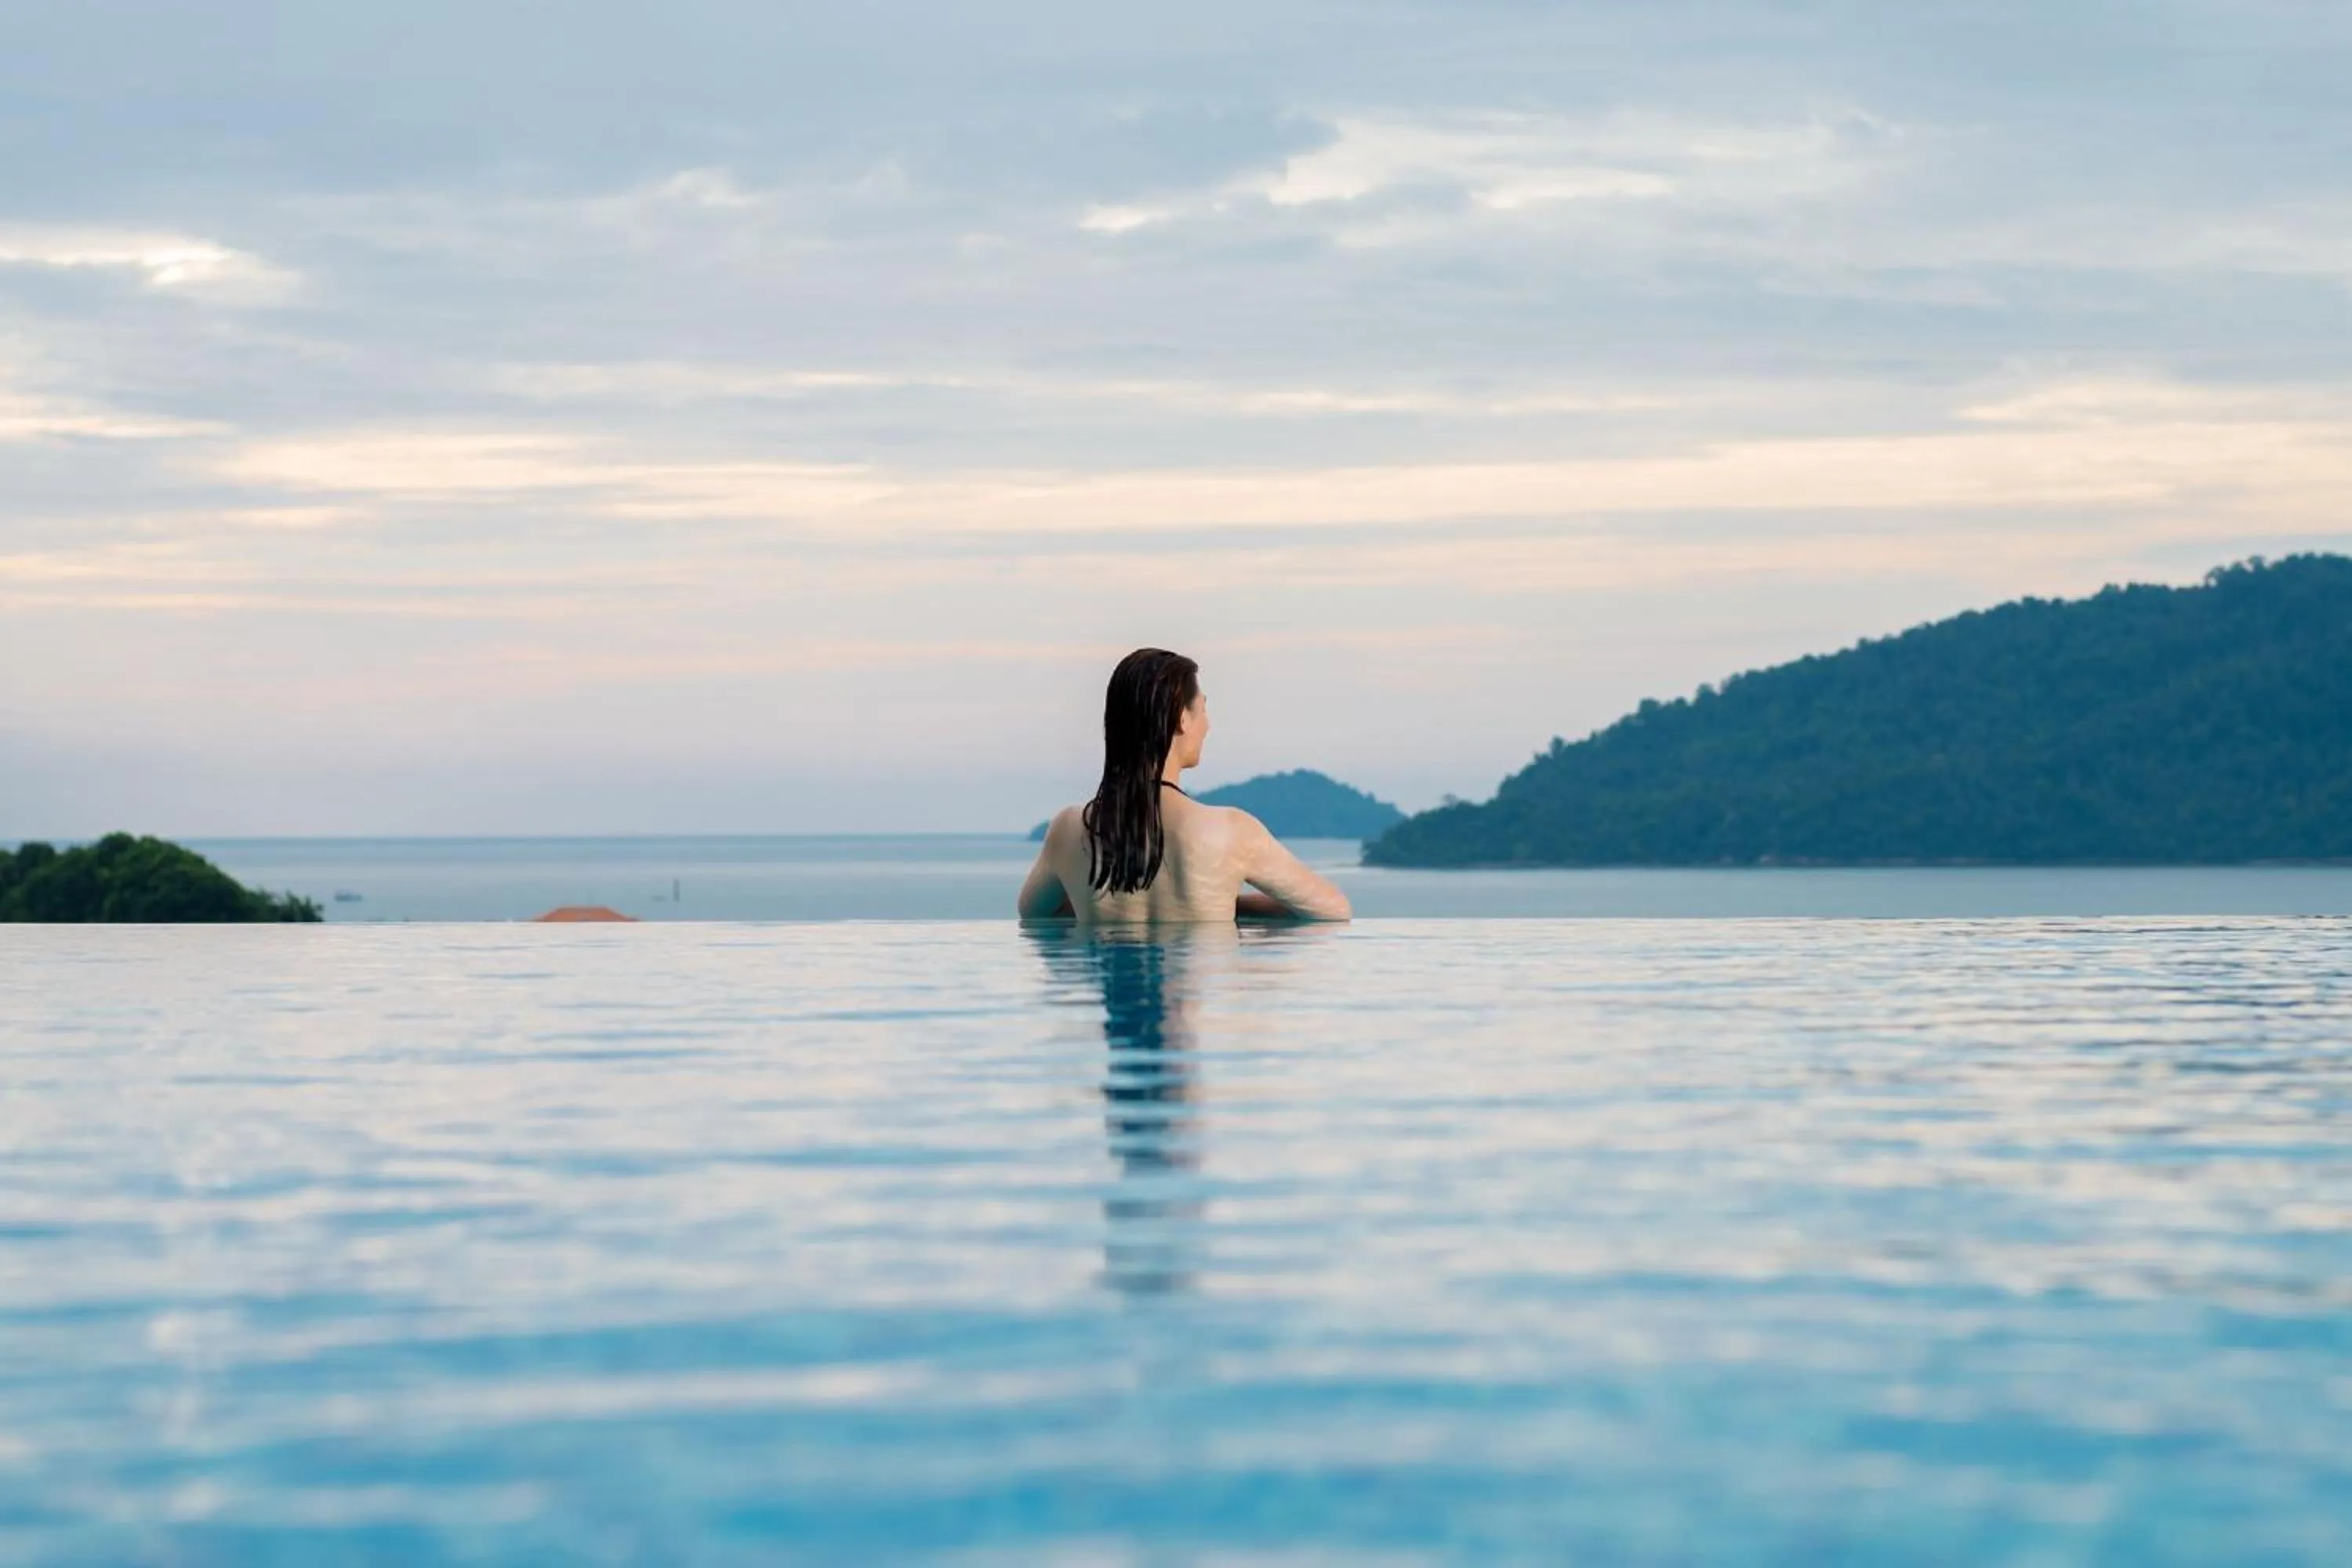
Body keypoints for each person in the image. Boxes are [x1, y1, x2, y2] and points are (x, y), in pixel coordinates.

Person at [1018, 648, 1353, 924]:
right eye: (1203, 709)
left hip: (1106, 1001)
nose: (1207, 725)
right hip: (1203, 997)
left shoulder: (1071, 828)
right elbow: (1334, 910)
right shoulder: (1230, 831)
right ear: (1182, 718)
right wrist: (1228, 906)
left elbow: (1032, 913)